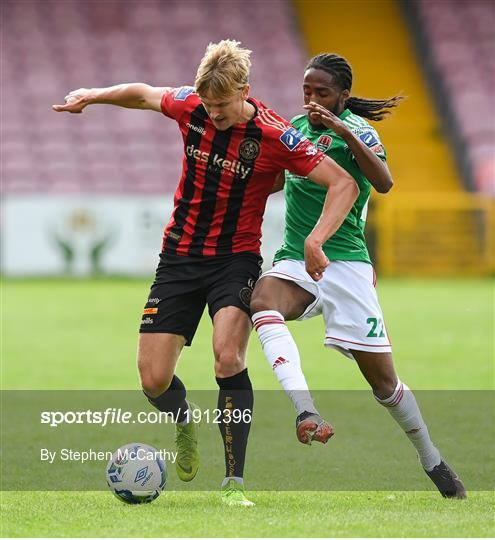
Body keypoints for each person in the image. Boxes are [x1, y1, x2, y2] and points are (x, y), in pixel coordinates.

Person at [53, 41, 359, 506]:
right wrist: (92, 94)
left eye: (221, 106)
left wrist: (315, 240)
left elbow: (344, 182)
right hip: (178, 257)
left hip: (234, 260)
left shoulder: (276, 135)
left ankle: (234, 482)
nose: (213, 114)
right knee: (153, 379)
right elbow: (143, 94)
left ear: (244, 91)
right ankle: (183, 423)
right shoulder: (192, 106)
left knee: (227, 358)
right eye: (208, 105)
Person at [250, 53, 466, 499]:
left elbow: (384, 183)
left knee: (384, 385)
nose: (311, 100)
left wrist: (343, 130)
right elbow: (281, 177)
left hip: (346, 265)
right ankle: (305, 411)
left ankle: (433, 460)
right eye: (307, 91)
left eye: (322, 93)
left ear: (343, 97)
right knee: (262, 301)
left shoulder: (360, 132)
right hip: (296, 257)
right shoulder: (296, 128)